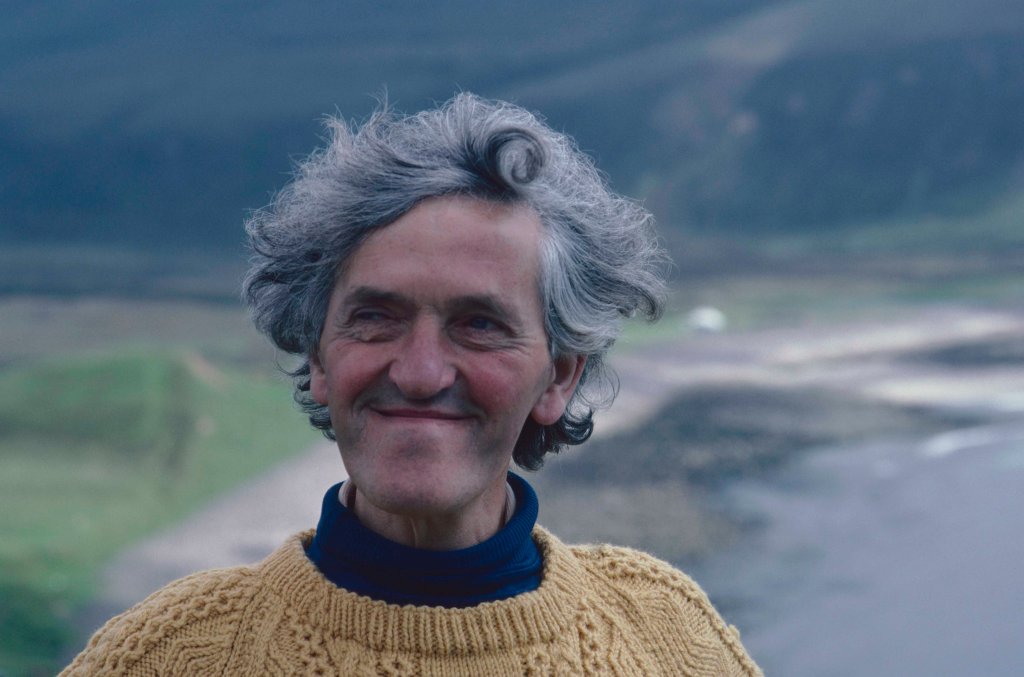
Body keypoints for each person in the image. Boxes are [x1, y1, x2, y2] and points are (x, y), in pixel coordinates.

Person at [63, 93, 761, 676]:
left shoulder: (669, 636)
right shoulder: (163, 657)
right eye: (376, 318)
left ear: (558, 376)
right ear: (319, 357)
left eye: (479, 324)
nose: (420, 373)